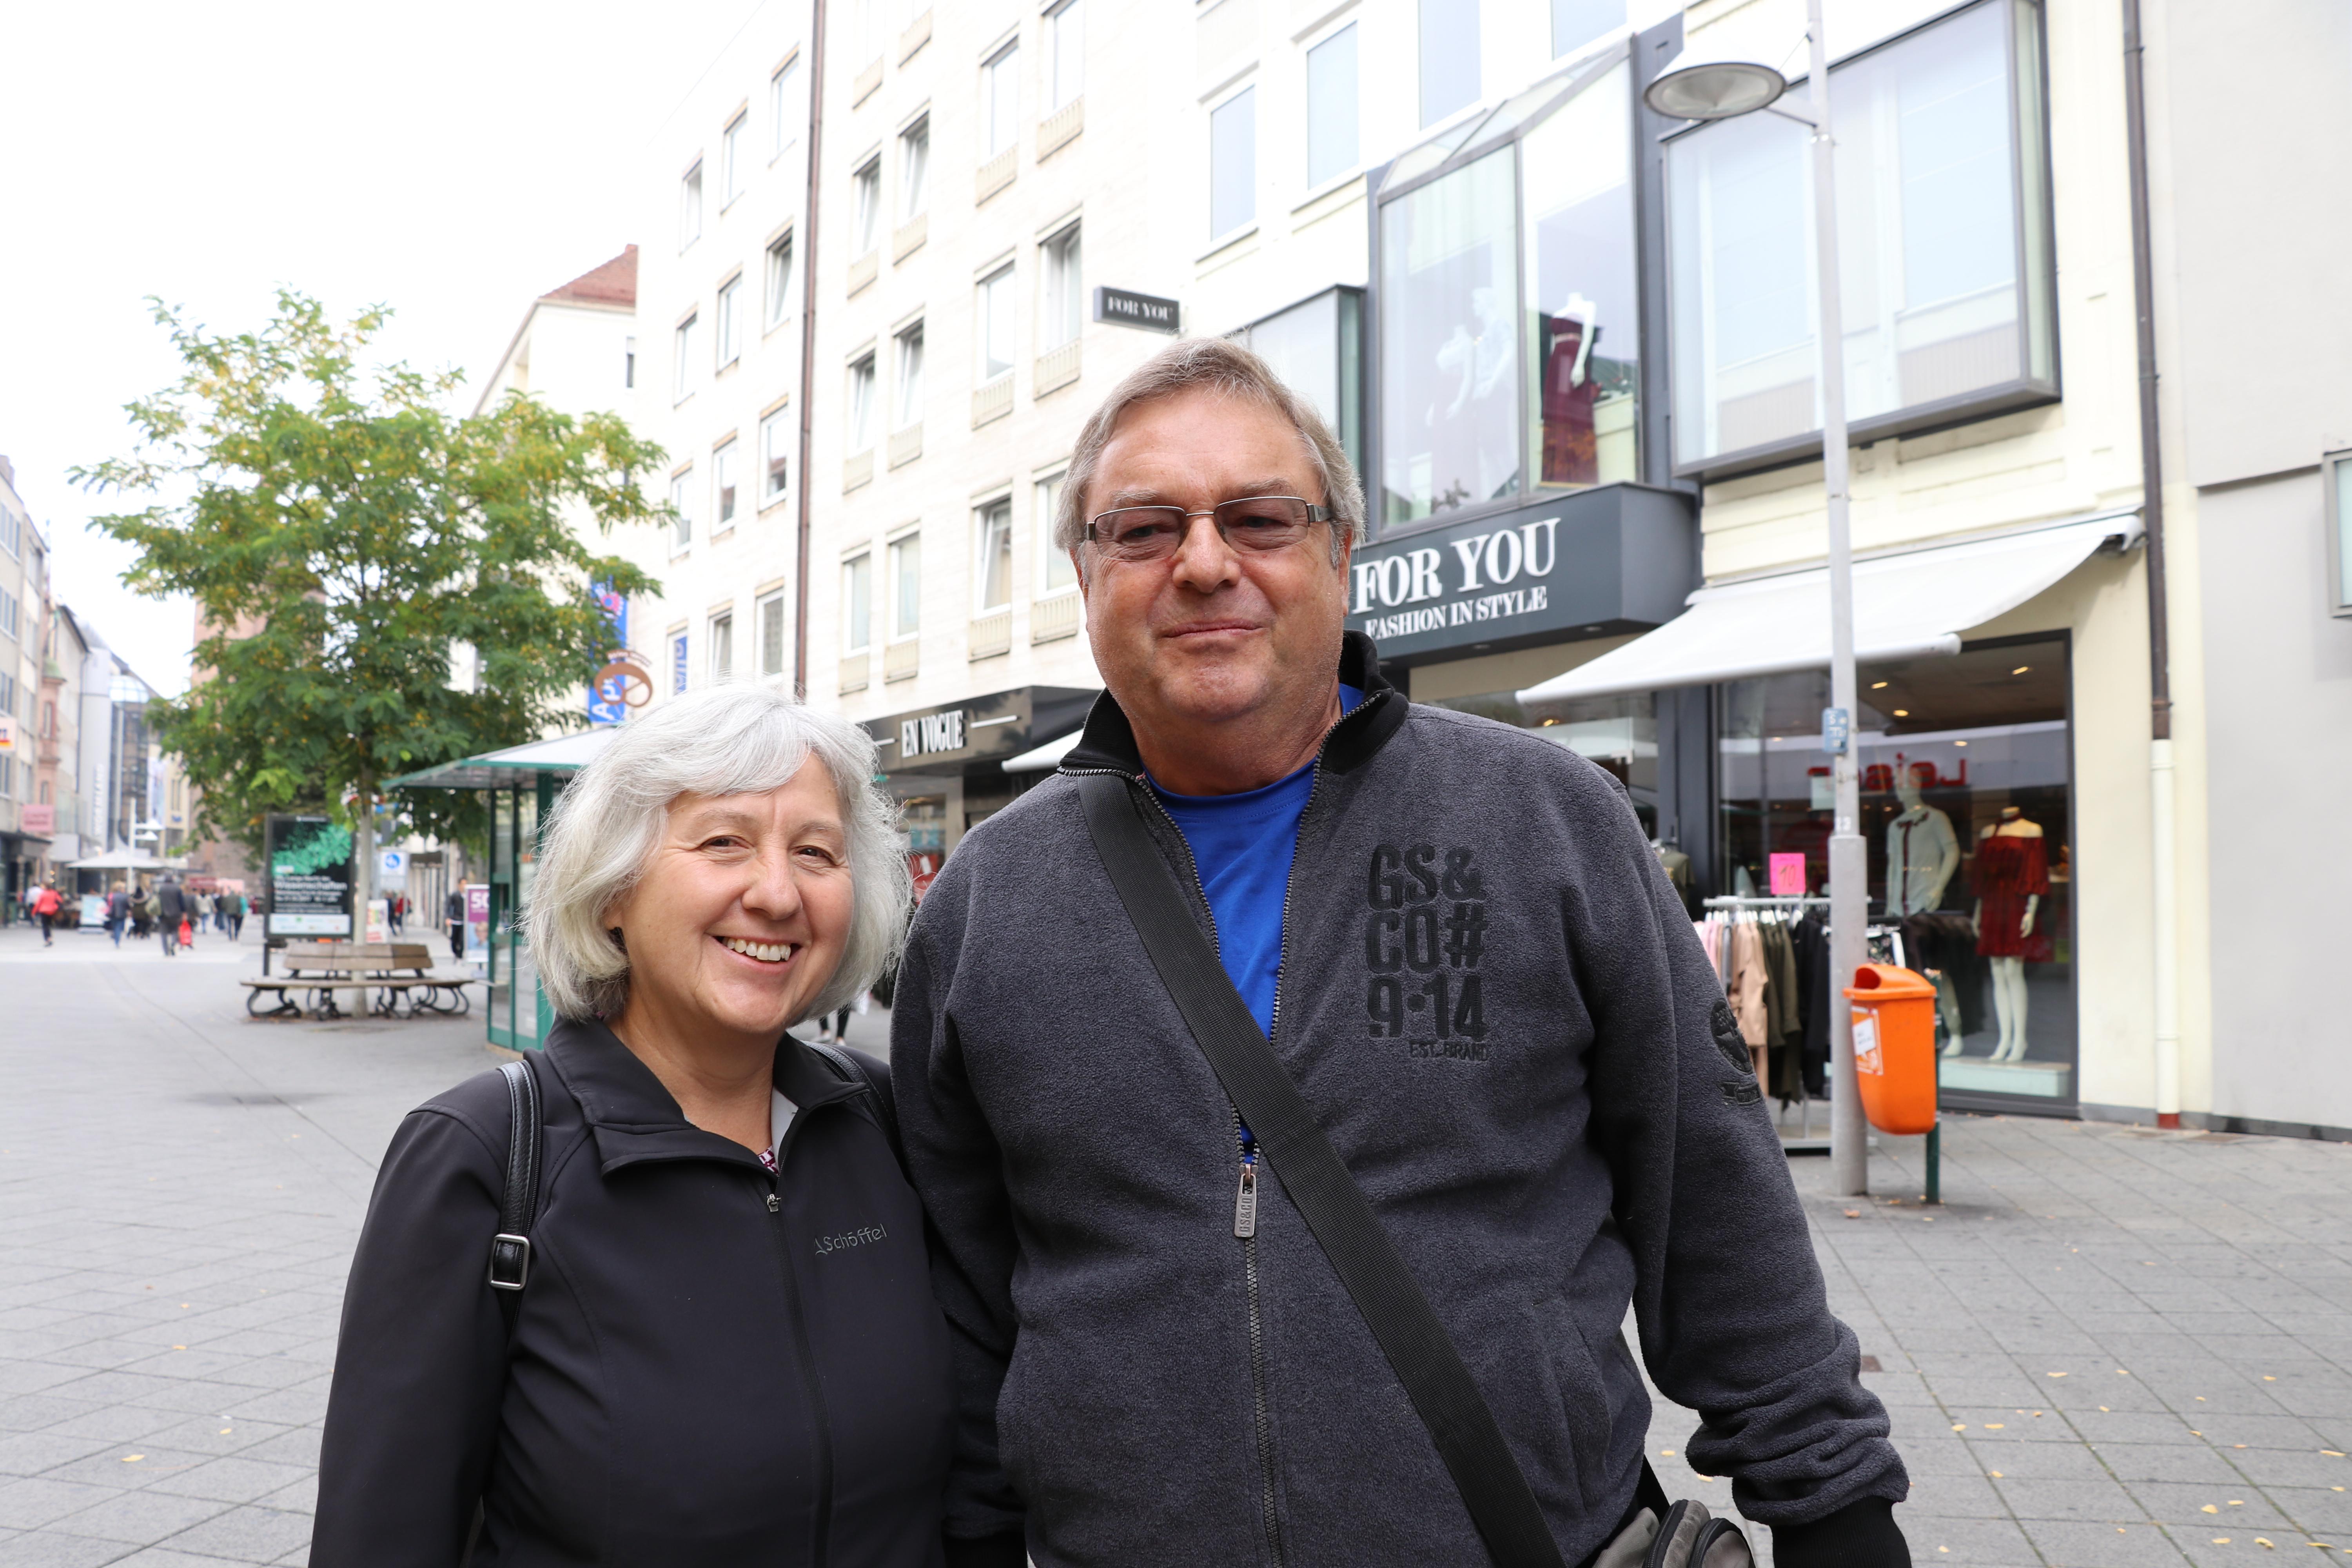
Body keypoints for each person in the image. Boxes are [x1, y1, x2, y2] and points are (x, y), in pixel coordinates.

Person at [891, 339, 1911, 1568]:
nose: (1204, 563)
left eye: (1259, 518)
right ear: (1084, 571)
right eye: (1146, 529)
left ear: (1338, 552)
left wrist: (1831, 1507)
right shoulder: (986, 902)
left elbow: (1712, 1196)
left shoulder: (1543, 822)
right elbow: (965, 1302)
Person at [315, 686, 958, 1566]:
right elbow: (383, 1534)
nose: (778, 893)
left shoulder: (886, 1122)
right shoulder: (483, 1154)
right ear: (613, 889)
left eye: (816, 852)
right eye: (724, 841)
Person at [155, 876, 187, 956]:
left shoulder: (161, 889)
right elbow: (181, 902)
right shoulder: (178, 889)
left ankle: (166, 950)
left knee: (164, 933)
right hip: (176, 914)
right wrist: (184, 912)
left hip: (163, 914)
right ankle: (173, 944)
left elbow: (157, 901)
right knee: (175, 931)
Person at [31, 882, 62, 946]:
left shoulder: (43, 894)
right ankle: (50, 938)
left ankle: (47, 940)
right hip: (52, 911)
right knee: (49, 925)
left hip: (44, 911)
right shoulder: (54, 893)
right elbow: (60, 900)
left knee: (45, 926)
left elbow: (38, 904)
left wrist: (34, 912)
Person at [106, 882, 130, 947]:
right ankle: (117, 940)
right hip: (122, 914)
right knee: (119, 927)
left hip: (113, 913)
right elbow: (127, 906)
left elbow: (108, 902)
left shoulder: (112, 896)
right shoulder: (125, 896)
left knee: (115, 926)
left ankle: (116, 936)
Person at [445, 886, 466, 961]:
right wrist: (448, 918)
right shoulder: (455, 895)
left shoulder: (468, 895)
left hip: (464, 921)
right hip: (455, 920)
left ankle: (460, 954)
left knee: (462, 939)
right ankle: (456, 952)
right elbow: (449, 906)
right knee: (454, 939)